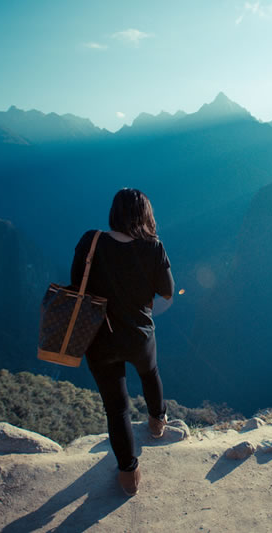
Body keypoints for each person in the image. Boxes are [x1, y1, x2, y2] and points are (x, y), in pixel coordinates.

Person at [70, 188, 174, 496]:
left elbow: (77, 284)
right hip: (139, 335)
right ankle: (157, 421)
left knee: (116, 409)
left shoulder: (91, 241)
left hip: (99, 338)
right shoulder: (153, 247)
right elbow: (167, 290)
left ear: (114, 213)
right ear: (146, 215)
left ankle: (128, 474)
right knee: (150, 373)